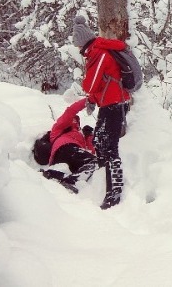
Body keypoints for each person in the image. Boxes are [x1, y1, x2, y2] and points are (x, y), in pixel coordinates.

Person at [72, 15, 130, 209]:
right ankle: (103, 182)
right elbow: (103, 85)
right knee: (99, 140)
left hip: (115, 105)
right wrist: (93, 100)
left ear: (83, 44)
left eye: (79, 48)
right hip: (110, 103)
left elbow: (91, 84)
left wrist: (88, 92)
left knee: (110, 145)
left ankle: (115, 191)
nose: (80, 52)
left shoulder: (99, 54)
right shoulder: (97, 52)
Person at [41, 99, 98, 193]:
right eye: (75, 120)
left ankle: (53, 174)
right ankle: (71, 181)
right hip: (65, 148)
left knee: (91, 166)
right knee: (95, 163)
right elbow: (70, 111)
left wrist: (89, 136)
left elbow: (90, 151)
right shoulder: (60, 127)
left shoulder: (80, 135)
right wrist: (87, 100)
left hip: (63, 156)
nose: (76, 122)